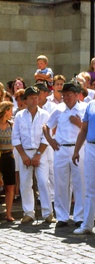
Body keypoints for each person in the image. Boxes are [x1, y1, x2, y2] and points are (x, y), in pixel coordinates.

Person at [43, 81, 87, 228]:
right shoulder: (59, 109)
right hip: (61, 149)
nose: (66, 98)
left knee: (79, 183)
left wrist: (78, 123)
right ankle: (62, 216)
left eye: (68, 95)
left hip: (79, 148)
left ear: (76, 95)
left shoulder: (84, 108)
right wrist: (51, 141)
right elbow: (46, 126)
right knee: (61, 183)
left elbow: (89, 128)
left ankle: (79, 216)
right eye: (64, 95)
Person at [12, 86, 55, 224]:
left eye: (36, 97)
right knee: (25, 183)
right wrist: (23, 155)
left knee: (43, 182)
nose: (35, 100)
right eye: (31, 98)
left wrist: (37, 155)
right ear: (26, 100)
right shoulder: (19, 116)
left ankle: (48, 213)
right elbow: (16, 138)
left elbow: (46, 137)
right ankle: (28, 213)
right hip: (24, 151)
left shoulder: (45, 114)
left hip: (40, 152)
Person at [72, 93, 95, 234]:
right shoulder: (91, 105)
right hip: (91, 147)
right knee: (90, 187)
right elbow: (84, 130)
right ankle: (87, 224)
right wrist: (76, 150)